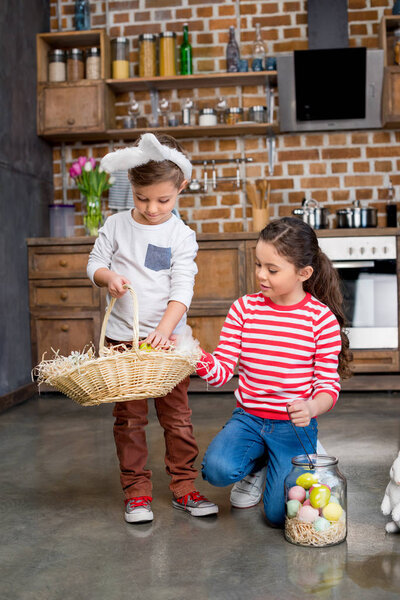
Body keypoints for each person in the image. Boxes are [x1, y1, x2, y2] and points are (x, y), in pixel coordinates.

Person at [87, 133, 218, 524]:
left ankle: (184, 487)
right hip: (121, 341)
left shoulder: (180, 235)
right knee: (129, 419)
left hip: (169, 342)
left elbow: (182, 289)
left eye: (164, 200)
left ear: (181, 187)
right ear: (132, 187)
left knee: (176, 418)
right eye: (143, 199)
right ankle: (137, 493)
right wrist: (106, 276)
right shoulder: (116, 225)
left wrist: (164, 330)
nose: (152, 209)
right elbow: (93, 263)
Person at [196, 216, 352, 526]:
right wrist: (191, 353)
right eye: (258, 265)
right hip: (250, 418)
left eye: (272, 269)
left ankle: (290, 460)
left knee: (280, 516)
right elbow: (221, 371)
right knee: (216, 470)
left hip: (293, 427)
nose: (260, 275)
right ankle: (259, 463)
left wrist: (311, 407)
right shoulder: (243, 309)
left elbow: (327, 386)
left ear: (303, 274)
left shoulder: (320, 320)